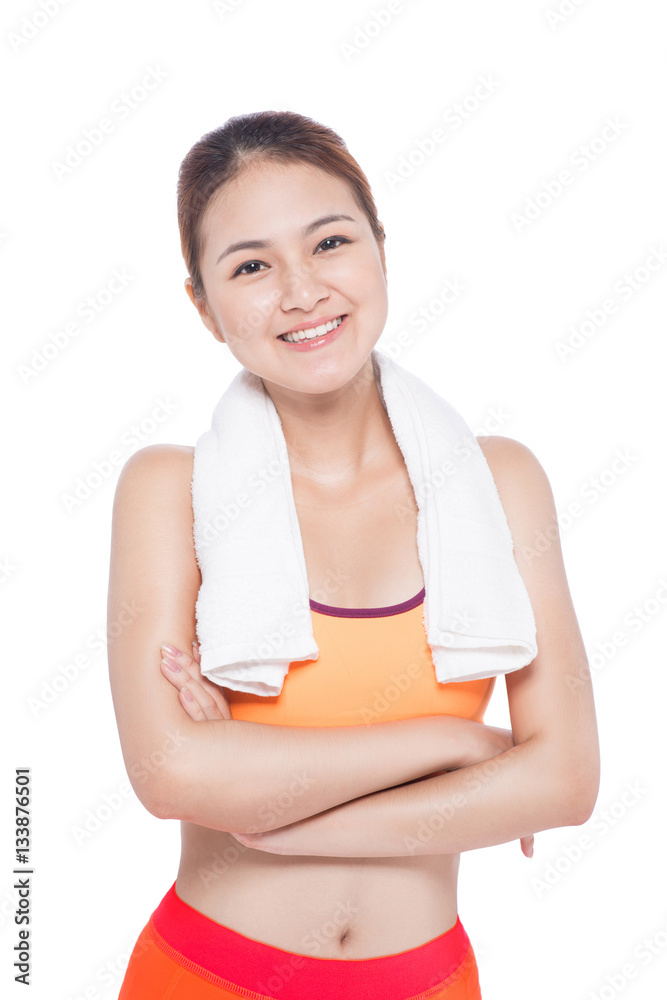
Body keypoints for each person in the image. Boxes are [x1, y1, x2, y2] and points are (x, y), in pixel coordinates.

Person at [108, 110, 600, 999]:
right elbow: (168, 772)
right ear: (203, 306)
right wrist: (460, 744)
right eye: (251, 265)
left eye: (328, 242)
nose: (300, 292)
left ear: (378, 248)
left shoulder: (498, 482)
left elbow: (563, 782)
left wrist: (281, 819)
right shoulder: (165, 490)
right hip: (208, 976)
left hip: (429, 980)